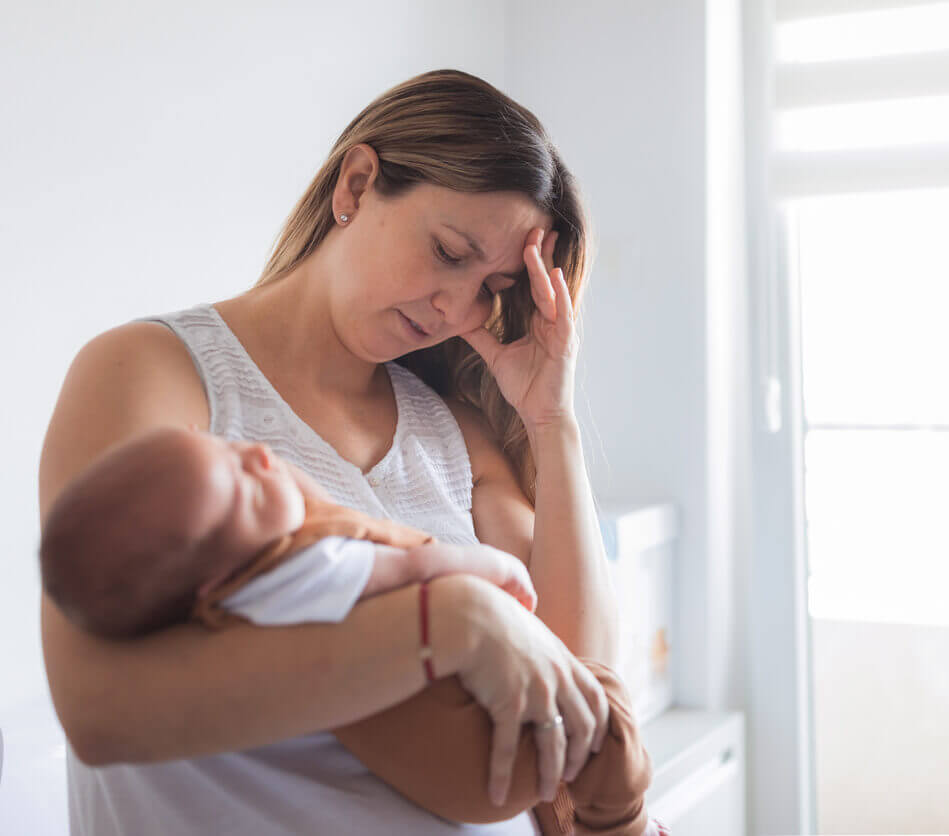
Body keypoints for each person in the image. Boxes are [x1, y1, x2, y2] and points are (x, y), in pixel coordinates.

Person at [38, 68, 641, 835]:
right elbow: (99, 710)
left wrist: (553, 422)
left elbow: (583, 706)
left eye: (492, 286)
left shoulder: (455, 433)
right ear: (356, 185)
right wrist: (444, 626)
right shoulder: (156, 372)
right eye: (451, 251)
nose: (459, 308)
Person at [39, 426, 660, 835]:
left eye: (234, 451)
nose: (260, 456)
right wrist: (495, 586)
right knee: (603, 719)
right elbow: (419, 566)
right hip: (482, 766)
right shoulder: (302, 570)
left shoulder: (225, 603)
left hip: (475, 774)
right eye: (245, 489)